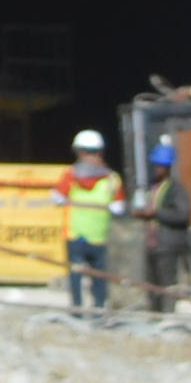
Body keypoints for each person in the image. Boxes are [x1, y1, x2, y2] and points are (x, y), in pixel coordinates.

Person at [59, 132, 127, 318]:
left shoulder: (70, 175)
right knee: (99, 275)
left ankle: (77, 309)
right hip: (99, 235)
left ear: (79, 152)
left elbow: (57, 198)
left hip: (75, 234)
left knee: (76, 274)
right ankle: (98, 308)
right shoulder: (112, 179)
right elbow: (120, 208)